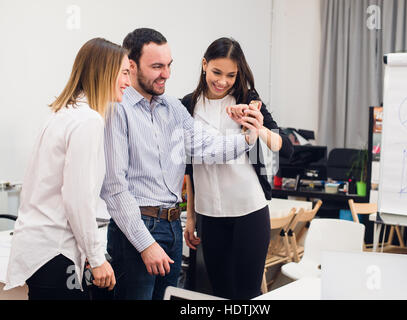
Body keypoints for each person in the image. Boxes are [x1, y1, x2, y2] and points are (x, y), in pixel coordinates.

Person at [100, 28, 262, 300]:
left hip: (172, 227)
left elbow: (207, 146)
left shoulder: (173, 108)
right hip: (138, 229)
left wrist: (248, 136)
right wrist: (145, 244)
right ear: (131, 65)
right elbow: (115, 189)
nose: (166, 74)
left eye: (168, 65)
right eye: (156, 66)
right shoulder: (117, 109)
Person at [4, 38, 131, 300]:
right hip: (55, 251)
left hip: (40, 251)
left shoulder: (62, 113)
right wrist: (97, 258)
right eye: (125, 73)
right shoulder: (88, 121)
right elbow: (77, 200)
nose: (128, 82)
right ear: (104, 72)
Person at [181, 37, 293, 299]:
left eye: (231, 75)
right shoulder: (188, 105)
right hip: (209, 213)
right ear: (204, 65)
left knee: (246, 294)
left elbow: (284, 147)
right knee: (219, 292)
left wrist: (257, 125)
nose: (223, 81)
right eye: (217, 72)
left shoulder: (248, 100)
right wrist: (191, 217)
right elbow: (190, 164)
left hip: (249, 210)